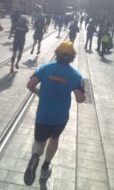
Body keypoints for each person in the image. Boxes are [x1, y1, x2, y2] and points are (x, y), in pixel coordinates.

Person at [24, 40, 86, 186]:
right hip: (60, 117)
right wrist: (83, 90)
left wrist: (38, 92)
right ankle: (45, 167)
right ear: (72, 56)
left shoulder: (45, 68)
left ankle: (34, 157)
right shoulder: (75, 75)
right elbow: (79, 99)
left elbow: (30, 85)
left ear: (57, 54)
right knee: (54, 138)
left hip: (43, 114)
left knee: (39, 142)